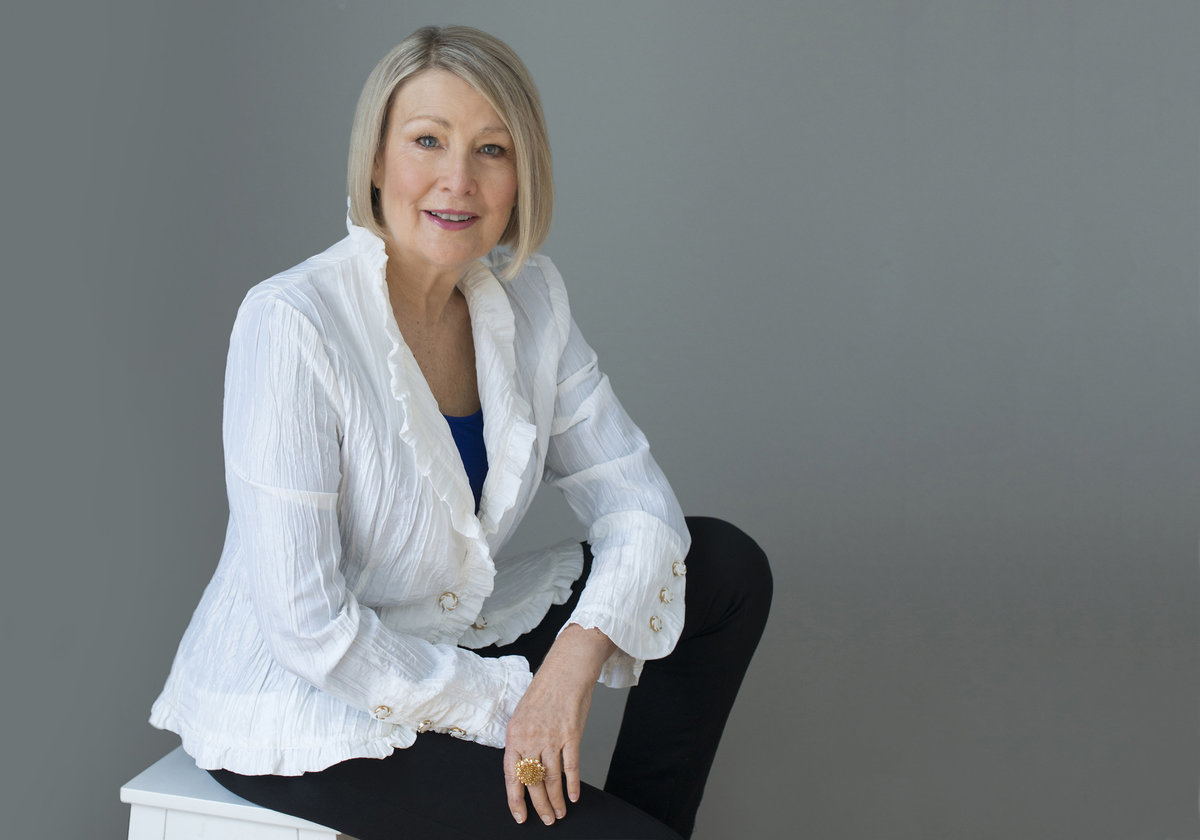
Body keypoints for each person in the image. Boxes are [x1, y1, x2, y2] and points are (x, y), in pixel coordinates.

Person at [150, 25, 771, 840]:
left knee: (721, 565)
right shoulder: (293, 322)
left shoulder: (530, 299)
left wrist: (568, 670)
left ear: (523, 173)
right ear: (375, 162)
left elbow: (640, 505)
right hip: (306, 698)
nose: (458, 179)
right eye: (427, 141)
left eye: (492, 149)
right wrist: (515, 702)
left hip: (447, 633)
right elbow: (312, 631)